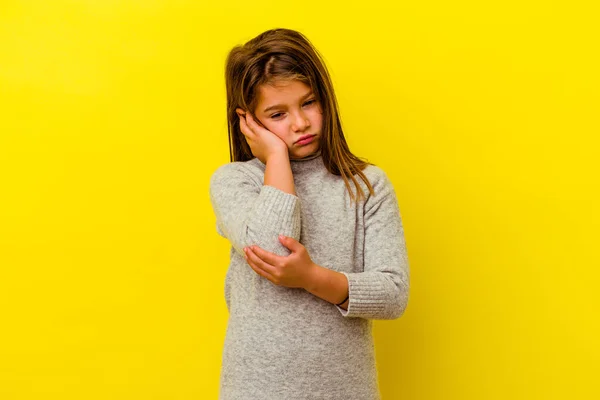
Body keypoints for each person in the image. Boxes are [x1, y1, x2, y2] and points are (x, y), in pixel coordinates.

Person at [209, 28, 410, 400]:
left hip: (344, 390)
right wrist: (277, 158)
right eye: (277, 113)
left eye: (309, 103)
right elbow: (272, 249)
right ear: (249, 121)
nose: (299, 123)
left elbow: (393, 294)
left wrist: (312, 277)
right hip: (255, 389)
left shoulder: (367, 185)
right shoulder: (236, 182)